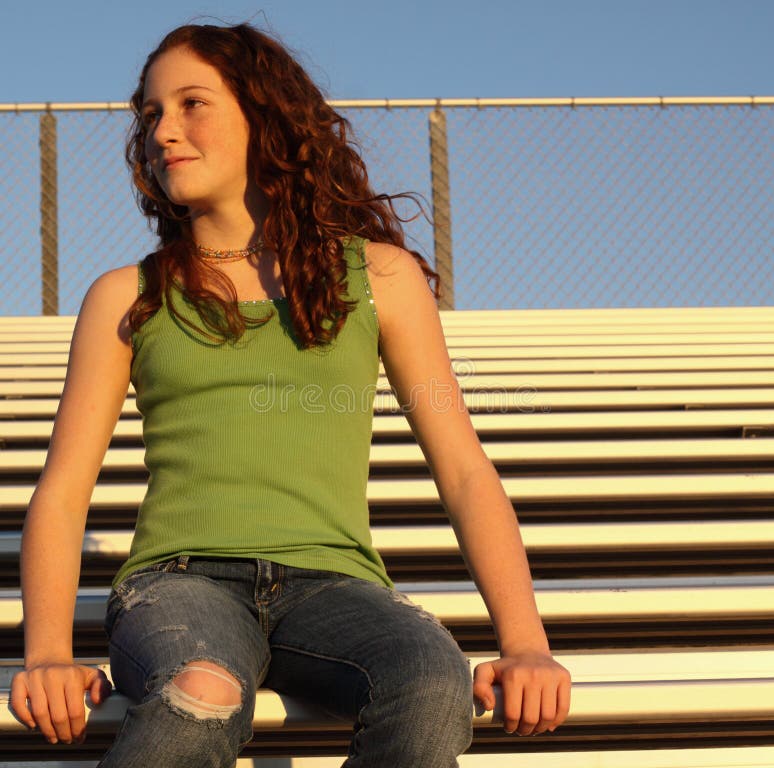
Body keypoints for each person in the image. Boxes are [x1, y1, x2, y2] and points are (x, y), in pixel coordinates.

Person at [10, 20, 571, 767]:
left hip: (335, 589)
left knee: (433, 680)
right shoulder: (127, 295)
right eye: (151, 114)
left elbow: (464, 469)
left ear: (262, 117)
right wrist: (47, 651)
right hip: (182, 584)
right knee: (201, 690)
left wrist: (525, 643)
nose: (163, 131)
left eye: (191, 104)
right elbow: (64, 485)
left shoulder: (380, 279)